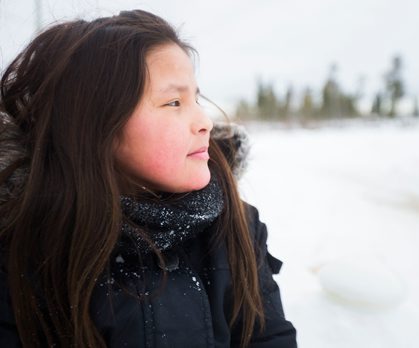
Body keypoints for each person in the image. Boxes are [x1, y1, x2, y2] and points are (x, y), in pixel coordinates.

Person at [0, 9, 297, 347]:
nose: (204, 122)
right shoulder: (26, 247)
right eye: (173, 102)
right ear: (96, 126)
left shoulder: (235, 225)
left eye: (195, 98)